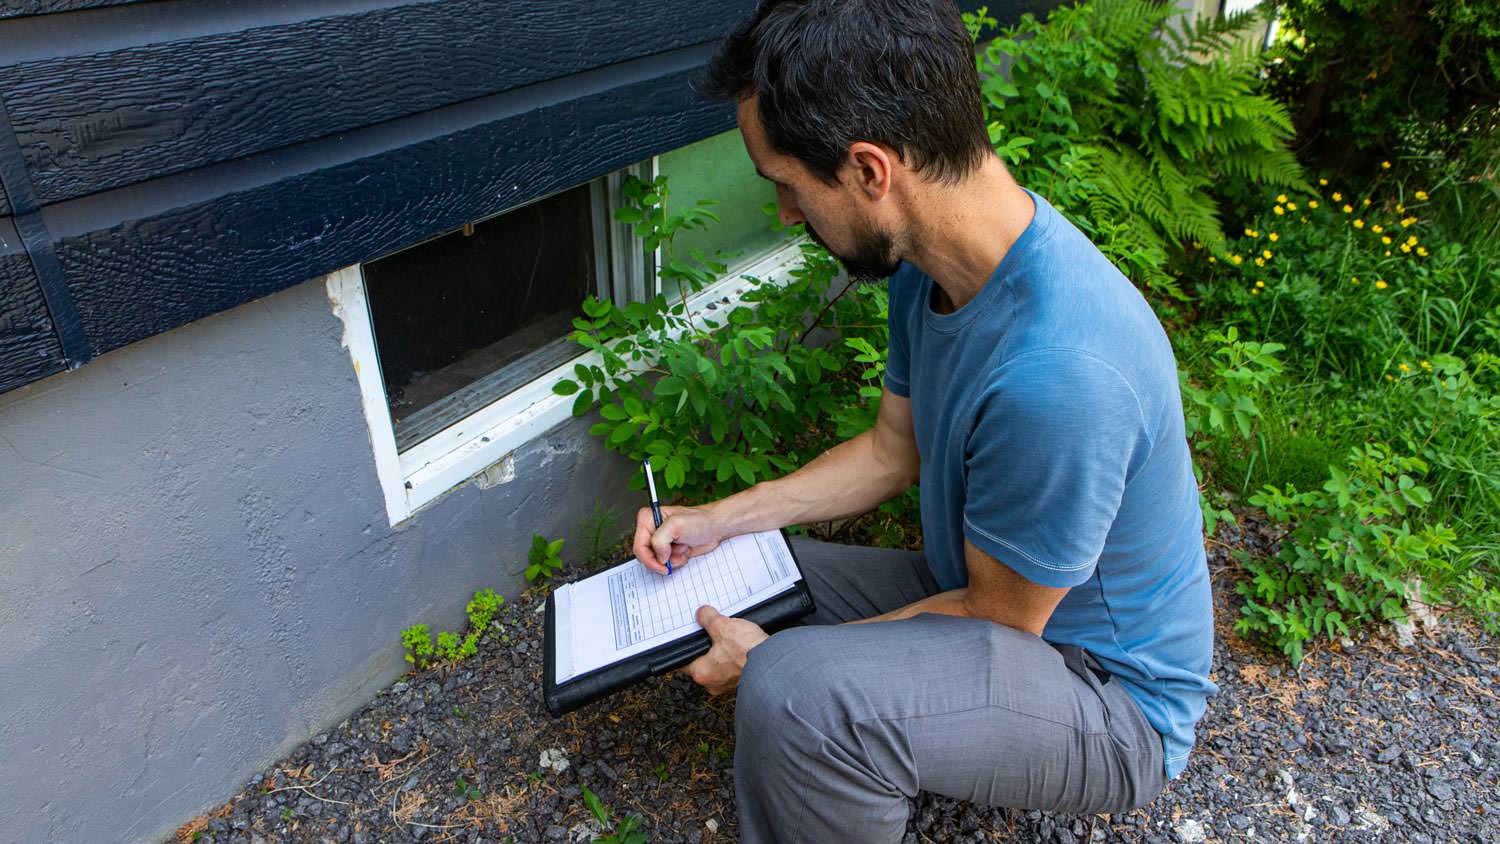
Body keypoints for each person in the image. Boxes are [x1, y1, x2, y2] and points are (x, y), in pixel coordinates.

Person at [631, 1, 1217, 841]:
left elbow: (1004, 618)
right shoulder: (933, 263)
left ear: (870, 171)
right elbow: (888, 451)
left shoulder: (1060, 374)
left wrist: (776, 663)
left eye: (788, 186)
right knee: (748, 569)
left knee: (794, 693)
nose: (788, 216)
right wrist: (716, 520)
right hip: (991, 598)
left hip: (1105, 697)